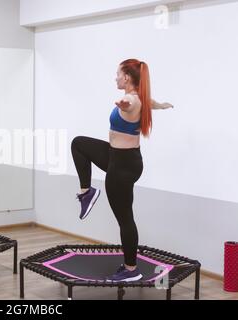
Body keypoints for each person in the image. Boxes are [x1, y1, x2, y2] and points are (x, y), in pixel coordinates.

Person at [71, 59, 173, 281]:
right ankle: (86, 191)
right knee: (78, 143)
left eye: (117, 73)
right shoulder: (142, 98)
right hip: (121, 158)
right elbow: (149, 102)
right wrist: (162, 105)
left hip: (122, 166)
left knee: (125, 219)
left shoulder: (131, 99)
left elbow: (129, 102)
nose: (115, 77)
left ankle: (131, 270)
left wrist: (123, 104)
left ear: (126, 77)